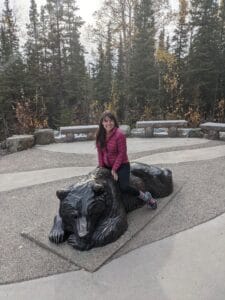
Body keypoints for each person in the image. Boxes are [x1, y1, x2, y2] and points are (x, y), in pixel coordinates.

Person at [95, 110, 157, 209]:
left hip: (121, 165)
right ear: (102, 123)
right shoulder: (100, 134)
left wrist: (114, 169)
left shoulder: (119, 135)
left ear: (114, 122)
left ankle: (146, 198)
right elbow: (100, 153)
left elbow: (121, 154)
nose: (108, 123)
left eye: (110, 121)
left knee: (124, 187)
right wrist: (102, 168)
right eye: (105, 121)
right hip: (107, 165)